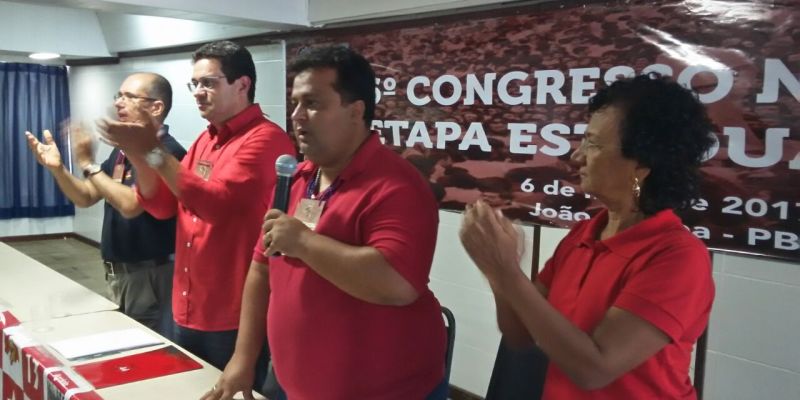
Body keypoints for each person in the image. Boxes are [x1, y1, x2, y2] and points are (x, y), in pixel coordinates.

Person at [204, 46, 448, 400]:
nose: (297, 116)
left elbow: (397, 284)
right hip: (297, 384)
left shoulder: (397, 185)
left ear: (356, 111)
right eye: (295, 104)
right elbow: (261, 268)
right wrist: (243, 358)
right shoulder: (297, 179)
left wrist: (304, 243)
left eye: (312, 103)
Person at [460, 74, 716, 399]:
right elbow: (519, 335)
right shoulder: (586, 233)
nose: (577, 156)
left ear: (642, 164)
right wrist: (497, 271)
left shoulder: (677, 256)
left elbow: (595, 369)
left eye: (593, 144)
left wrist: (507, 273)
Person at [95, 41, 295, 382]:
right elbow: (161, 206)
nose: (199, 92)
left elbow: (213, 205)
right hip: (186, 303)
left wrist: (152, 150)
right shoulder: (206, 140)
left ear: (242, 85)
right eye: (195, 84)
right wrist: (139, 152)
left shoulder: (265, 139)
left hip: (231, 311)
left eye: (209, 83)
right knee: (187, 387)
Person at [25, 72, 185, 338]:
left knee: (145, 344)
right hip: (120, 272)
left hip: (149, 273)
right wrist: (58, 169)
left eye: (129, 97)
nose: (118, 103)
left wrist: (88, 163)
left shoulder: (166, 152)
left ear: (156, 107)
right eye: (118, 96)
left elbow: (131, 204)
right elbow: (87, 195)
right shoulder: (123, 150)